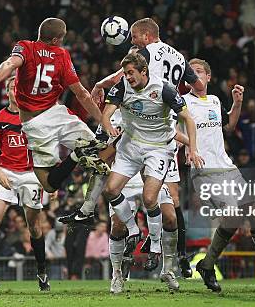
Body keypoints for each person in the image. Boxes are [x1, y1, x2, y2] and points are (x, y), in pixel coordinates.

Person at [65, 17, 207, 277]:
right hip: (166, 130)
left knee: (104, 156)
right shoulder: (178, 57)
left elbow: (123, 76)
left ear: (145, 36)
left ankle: (89, 210)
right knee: (170, 200)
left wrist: (99, 84)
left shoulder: (145, 54)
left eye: (134, 37)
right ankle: (177, 261)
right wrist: (177, 99)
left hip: (143, 120)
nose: (131, 41)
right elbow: (197, 86)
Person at [183, 58, 255, 293]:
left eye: (198, 72)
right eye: (190, 73)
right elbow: (170, 132)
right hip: (204, 170)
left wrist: (237, 104)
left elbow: (228, 127)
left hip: (228, 168)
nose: (194, 76)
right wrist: (190, 148)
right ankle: (208, 265)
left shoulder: (215, 100)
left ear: (208, 77)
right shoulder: (182, 103)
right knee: (234, 215)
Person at [101, 52, 203, 292]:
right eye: (125, 73)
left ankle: (160, 256)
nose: (127, 77)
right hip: (130, 147)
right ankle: (128, 246)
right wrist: (109, 130)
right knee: (110, 191)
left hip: (158, 150)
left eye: (131, 73)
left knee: (155, 202)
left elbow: (187, 119)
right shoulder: (121, 87)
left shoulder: (164, 89)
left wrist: (193, 148)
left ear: (144, 72)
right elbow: (106, 116)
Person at [0, 17, 109, 194]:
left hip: (35, 124)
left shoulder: (25, 47)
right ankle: (97, 194)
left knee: (48, 185)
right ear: (55, 40)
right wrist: (103, 121)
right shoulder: (62, 55)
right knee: (97, 149)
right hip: (57, 114)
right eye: (61, 38)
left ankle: (77, 155)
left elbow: (9, 63)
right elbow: (82, 94)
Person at [0, 76, 52, 291]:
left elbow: (45, 149)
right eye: (12, 87)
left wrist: (48, 179)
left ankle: (41, 272)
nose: (15, 91)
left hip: (31, 175)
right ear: (8, 92)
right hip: (6, 173)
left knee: (35, 227)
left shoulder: (35, 117)